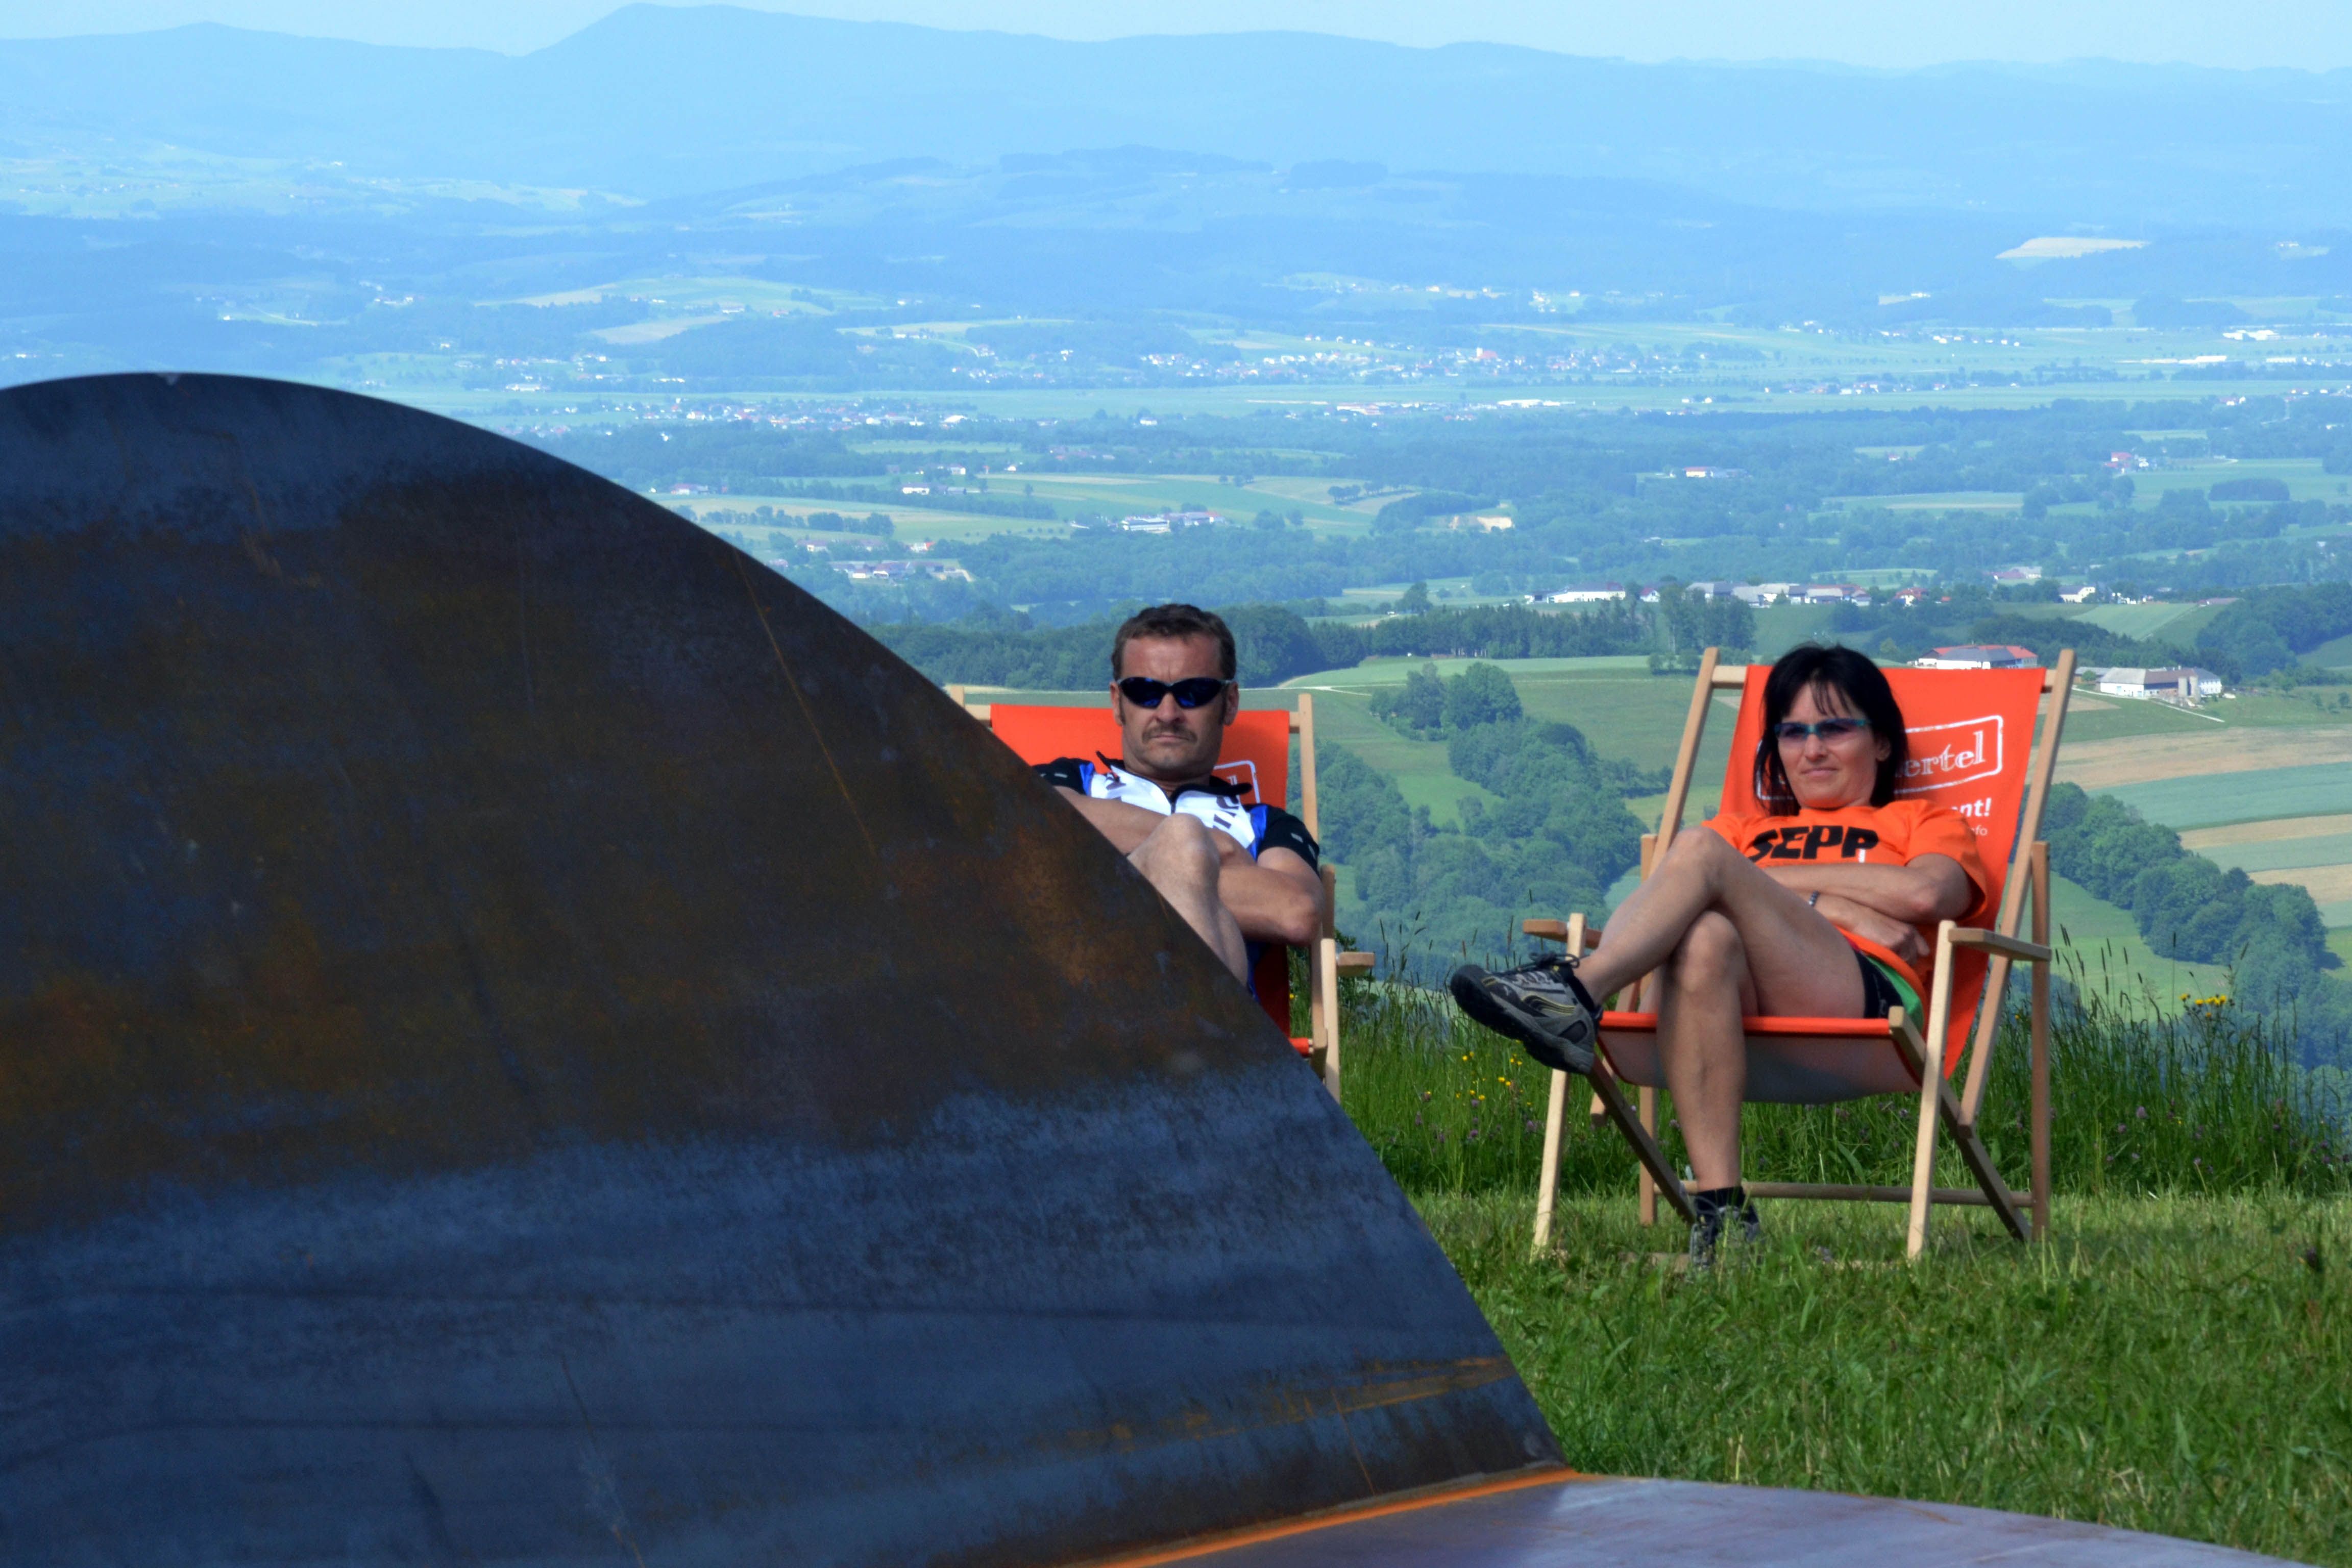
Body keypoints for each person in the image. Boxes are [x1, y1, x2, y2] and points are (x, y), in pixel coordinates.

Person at [1449, 645, 1990, 1262]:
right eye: (1793, 733)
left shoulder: (1922, 821)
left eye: (1836, 728)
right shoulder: (1740, 832)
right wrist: (1838, 905)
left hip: (1864, 1003)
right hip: (1726, 1002)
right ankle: (1724, 1217)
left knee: (1702, 856)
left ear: (1883, 743)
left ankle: (1574, 995)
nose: (1812, 749)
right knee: (1704, 935)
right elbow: (1632, 922)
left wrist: (1750, 883)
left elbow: (1926, 894)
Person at [1036, 603, 1325, 984]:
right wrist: (1211, 847)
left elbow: (1296, 912)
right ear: (1117, 702)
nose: (1168, 713)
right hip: (1083, 1004)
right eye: (1145, 692)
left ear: (1230, 702)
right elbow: (1033, 822)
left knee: (1182, 836)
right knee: (1183, 836)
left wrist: (1175, 855)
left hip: (1212, 1014)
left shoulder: (1266, 826)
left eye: (1193, 693)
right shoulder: (1072, 780)